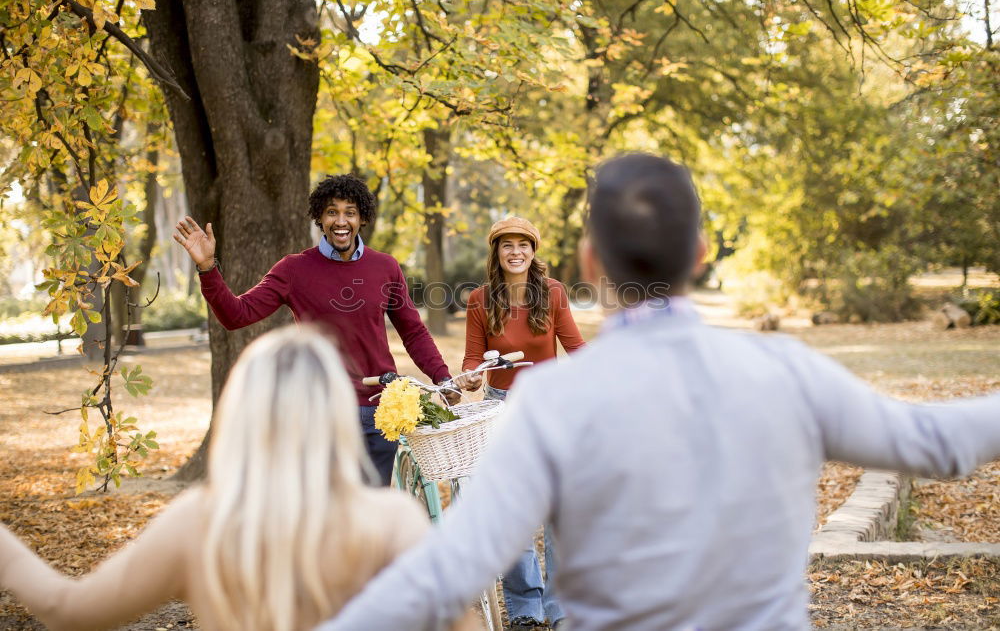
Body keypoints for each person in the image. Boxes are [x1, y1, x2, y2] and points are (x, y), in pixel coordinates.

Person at [317, 153, 1000, 631]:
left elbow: (452, 568)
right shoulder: (791, 371)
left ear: (588, 262)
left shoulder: (552, 404)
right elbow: (938, 442)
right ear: (701, 252)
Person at [0, 326, 480, 631]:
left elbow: (67, 609)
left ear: (242, 410)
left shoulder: (199, 522)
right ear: (335, 411)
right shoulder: (392, 521)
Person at [173, 174, 457, 485]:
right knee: (329, 513)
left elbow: (413, 332)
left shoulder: (385, 266)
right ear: (319, 218)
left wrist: (443, 378)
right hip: (323, 407)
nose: (341, 220)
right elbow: (236, 315)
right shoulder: (293, 270)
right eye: (332, 211)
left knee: (371, 510)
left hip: (381, 411)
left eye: (350, 212)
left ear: (362, 219)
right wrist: (207, 268)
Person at [456, 216, 584, 631]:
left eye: (523, 245)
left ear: (533, 251)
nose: (516, 252)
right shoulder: (479, 299)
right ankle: (526, 609)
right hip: (500, 409)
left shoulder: (553, 293)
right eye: (507, 245)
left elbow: (576, 349)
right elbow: (472, 359)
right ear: (496, 252)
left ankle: (560, 608)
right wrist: (473, 374)